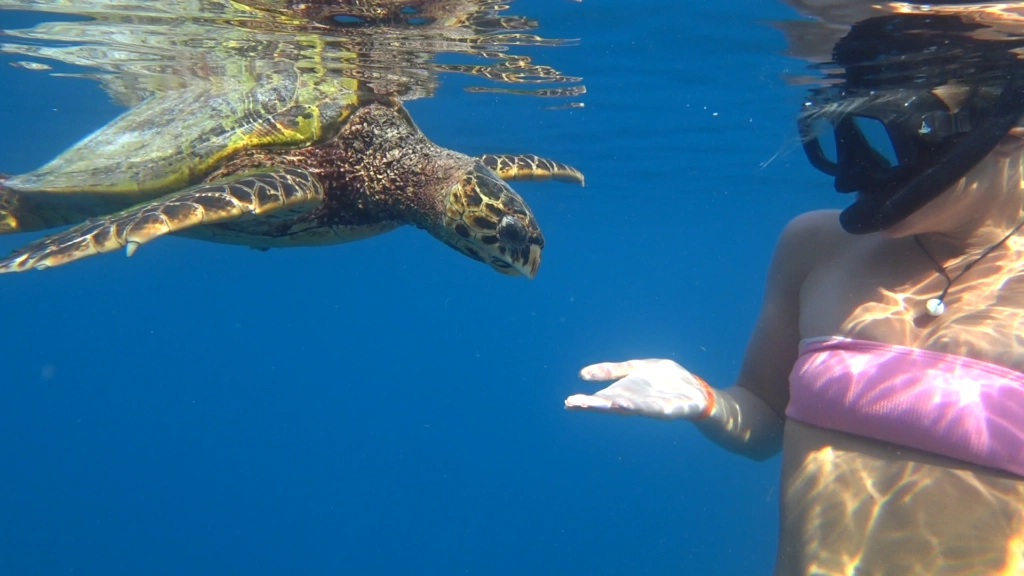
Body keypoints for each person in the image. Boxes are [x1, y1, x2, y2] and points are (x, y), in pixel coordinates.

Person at [565, 8, 1024, 575]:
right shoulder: (815, 245)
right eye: (842, 138)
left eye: (900, 133)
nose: (857, 174)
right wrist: (705, 400)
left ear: (1008, 125)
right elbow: (764, 423)